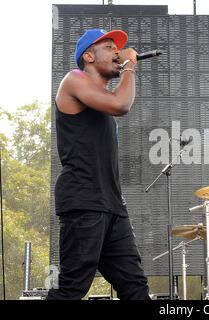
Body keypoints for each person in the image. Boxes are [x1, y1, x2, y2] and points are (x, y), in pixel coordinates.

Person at [46, 29, 150, 300]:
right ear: (89, 56)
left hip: (112, 206)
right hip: (83, 202)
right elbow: (121, 104)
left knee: (135, 287)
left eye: (119, 48)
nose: (117, 52)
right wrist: (129, 66)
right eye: (108, 47)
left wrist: (125, 67)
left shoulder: (101, 105)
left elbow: (115, 104)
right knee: (71, 288)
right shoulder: (73, 80)